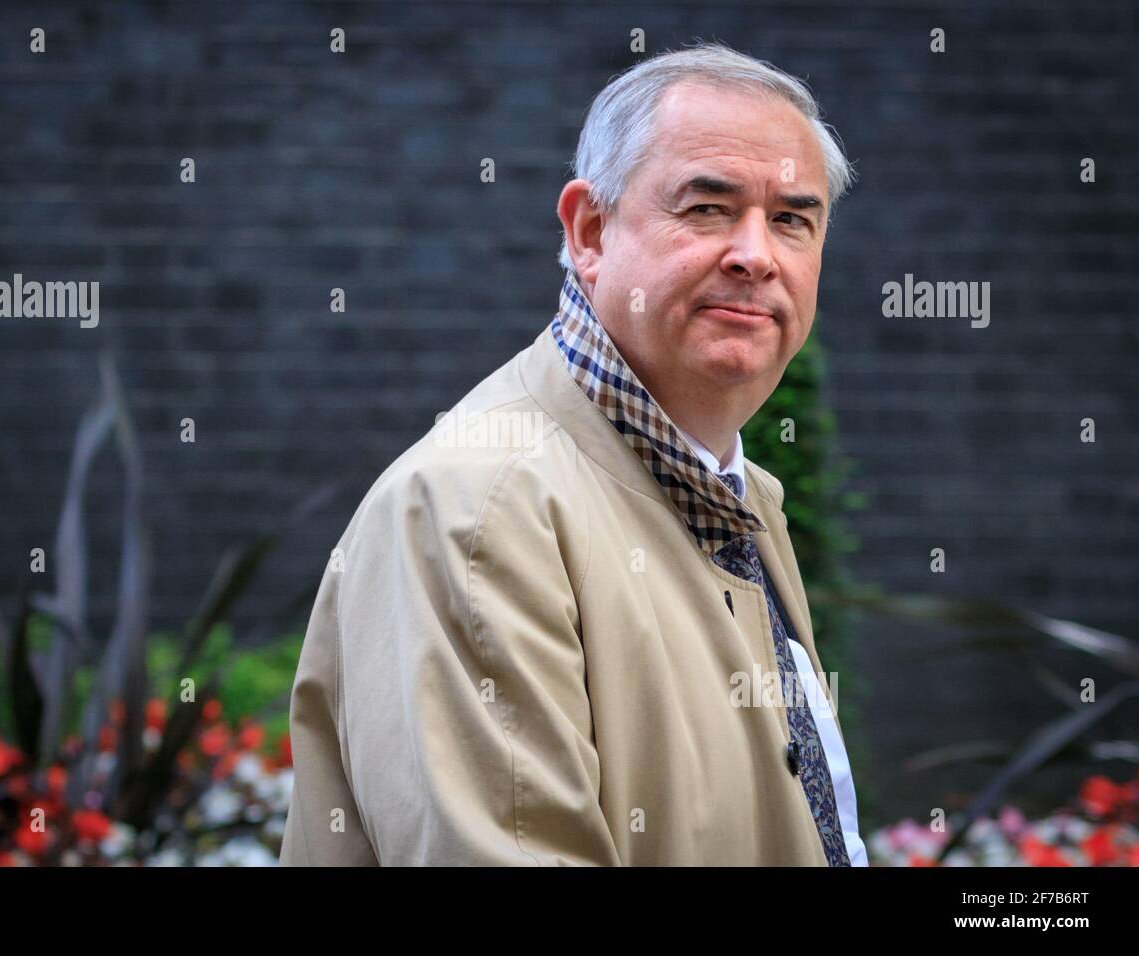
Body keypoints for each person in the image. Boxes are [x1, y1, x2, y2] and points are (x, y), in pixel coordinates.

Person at [280, 41, 866, 865]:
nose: (756, 253)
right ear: (590, 231)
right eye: (706, 208)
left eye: (792, 219)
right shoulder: (479, 507)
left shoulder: (742, 495)